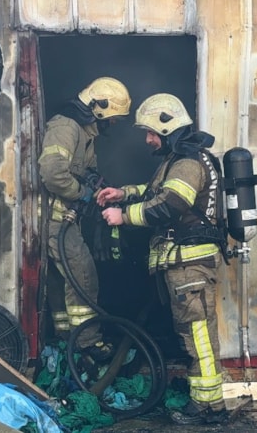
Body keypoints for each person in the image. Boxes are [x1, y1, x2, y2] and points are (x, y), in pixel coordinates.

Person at [97, 93, 227, 424]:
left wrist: (122, 216)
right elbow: (156, 191)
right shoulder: (178, 162)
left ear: (168, 127)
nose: (148, 140)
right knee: (194, 335)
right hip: (183, 267)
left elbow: (170, 205)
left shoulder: (187, 163)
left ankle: (208, 407)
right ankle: (207, 403)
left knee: (197, 336)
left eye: (152, 132)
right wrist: (123, 193)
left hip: (189, 267)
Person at [38, 76, 131, 359]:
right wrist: (82, 194)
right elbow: (53, 173)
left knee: (59, 282)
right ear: (99, 108)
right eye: (113, 117)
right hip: (57, 220)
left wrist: (99, 186)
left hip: (65, 220)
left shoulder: (84, 133)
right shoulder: (66, 128)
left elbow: (86, 171)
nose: (113, 124)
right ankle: (88, 343)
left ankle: (66, 338)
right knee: (83, 275)